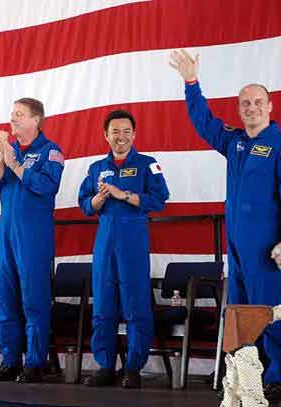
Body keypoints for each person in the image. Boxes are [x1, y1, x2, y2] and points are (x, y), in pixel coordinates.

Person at [170, 49, 281, 401]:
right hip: (237, 247)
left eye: (258, 102)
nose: (251, 108)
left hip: (268, 247)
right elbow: (203, 122)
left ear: (270, 107)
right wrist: (191, 83)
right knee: (241, 317)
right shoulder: (233, 142)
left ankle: (278, 377)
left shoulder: (278, 144)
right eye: (245, 103)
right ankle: (249, 379)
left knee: (271, 313)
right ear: (239, 109)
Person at [78, 110, 169, 388]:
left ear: (134, 134)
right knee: (103, 306)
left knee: (136, 305)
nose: (121, 137)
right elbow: (84, 204)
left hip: (133, 242)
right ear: (106, 135)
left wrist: (124, 195)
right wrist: (96, 200)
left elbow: (160, 199)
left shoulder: (147, 164)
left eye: (126, 131)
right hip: (104, 243)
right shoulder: (96, 168)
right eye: (115, 131)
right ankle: (105, 366)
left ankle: (132, 368)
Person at [0, 98, 64, 383]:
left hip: (34, 235)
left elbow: (46, 186)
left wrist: (15, 163)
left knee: (34, 301)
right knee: (6, 299)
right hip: (7, 234)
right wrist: (3, 156)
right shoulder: (10, 149)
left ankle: (35, 362)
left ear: (36, 120)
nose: (12, 119)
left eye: (19, 115)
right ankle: (10, 360)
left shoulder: (50, 151)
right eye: (12, 114)